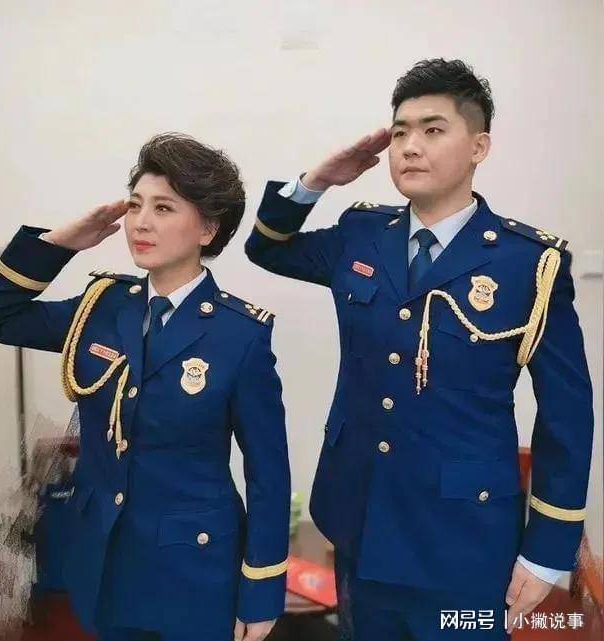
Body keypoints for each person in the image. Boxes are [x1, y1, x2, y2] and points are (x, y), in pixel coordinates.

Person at [244, 59, 594, 640]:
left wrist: (547, 550)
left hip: (464, 540)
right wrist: (318, 181)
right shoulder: (362, 235)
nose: (409, 146)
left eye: (433, 130)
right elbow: (267, 248)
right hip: (359, 518)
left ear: (479, 146)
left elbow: (567, 414)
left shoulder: (528, 264)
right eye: (400, 132)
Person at [0, 133, 290, 641]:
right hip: (106, 562)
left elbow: (268, 473)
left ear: (208, 228)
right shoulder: (100, 308)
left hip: (194, 571)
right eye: (135, 205)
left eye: (163, 208)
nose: (141, 222)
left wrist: (262, 592)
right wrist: (60, 244)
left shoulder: (240, 335)